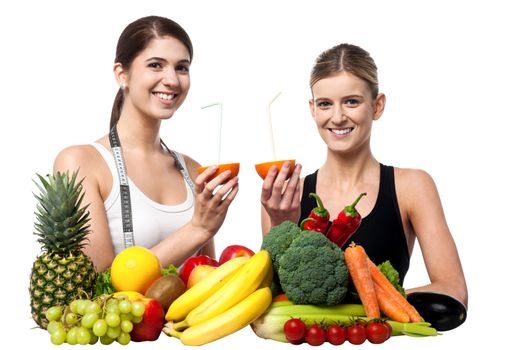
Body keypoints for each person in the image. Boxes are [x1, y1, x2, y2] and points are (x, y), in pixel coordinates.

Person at [260, 43, 468, 306]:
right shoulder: (285, 195)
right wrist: (281, 224)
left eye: (351, 102)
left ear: (377, 106)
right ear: (313, 110)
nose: (337, 117)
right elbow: (271, 298)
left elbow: (453, 289)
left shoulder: (412, 187)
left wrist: (367, 305)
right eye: (325, 104)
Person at [54, 16, 239, 272]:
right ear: (122, 74)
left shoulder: (193, 170)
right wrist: (198, 228)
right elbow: (98, 286)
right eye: (156, 65)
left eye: (182, 67)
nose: (172, 80)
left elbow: (205, 274)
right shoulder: (81, 162)